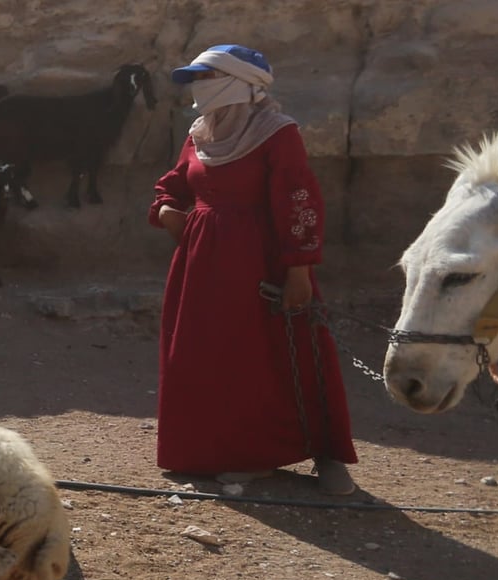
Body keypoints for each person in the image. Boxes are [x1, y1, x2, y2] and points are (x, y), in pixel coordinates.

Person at [148, 44, 358, 495]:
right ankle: (220, 452)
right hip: (202, 267)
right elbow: (174, 184)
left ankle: (321, 456)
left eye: (206, 78)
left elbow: (299, 202)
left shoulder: (277, 133)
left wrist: (298, 269)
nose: (197, 88)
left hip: (259, 260)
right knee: (213, 357)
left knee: (279, 351)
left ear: (238, 83)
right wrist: (166, 209)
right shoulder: (200, 133)